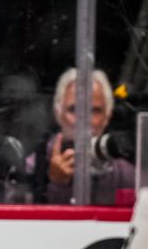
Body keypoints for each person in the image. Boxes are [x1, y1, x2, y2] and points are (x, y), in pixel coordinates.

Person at [28, 67, 134, 205]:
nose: (84, 120)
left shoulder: (125, 175)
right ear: (58, 114)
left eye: (94, 111)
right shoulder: (33, 167)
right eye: (74, 109)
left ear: (107, 117)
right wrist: (56, 184)